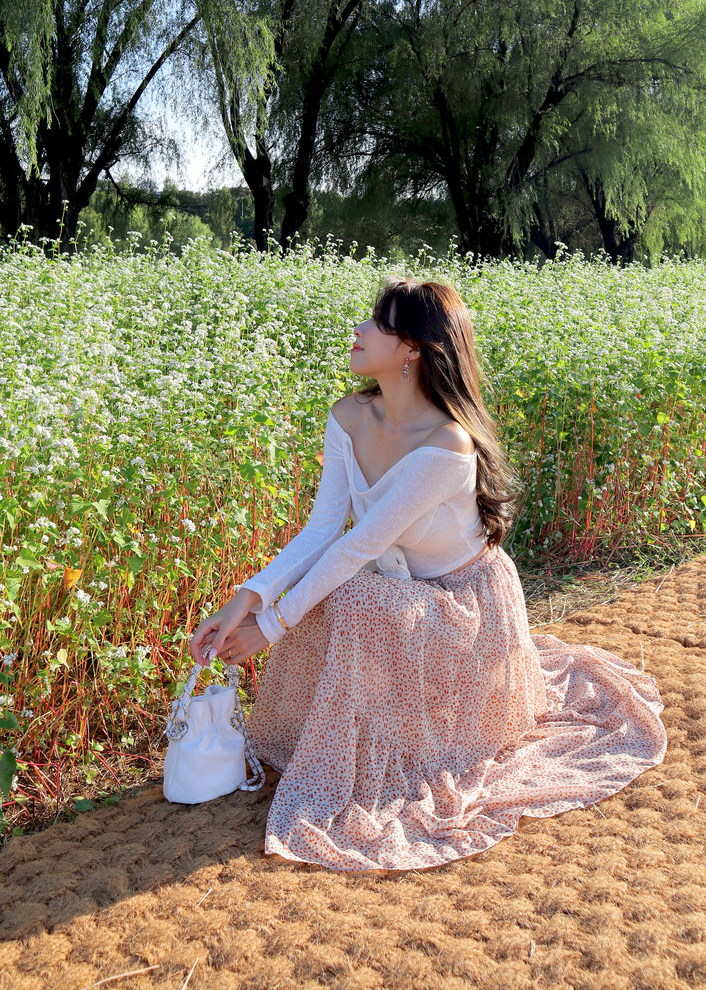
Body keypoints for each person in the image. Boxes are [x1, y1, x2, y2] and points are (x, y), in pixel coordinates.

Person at [189, 277, 666, 872]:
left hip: (466, 608)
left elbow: (360, 544)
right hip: (403, 592)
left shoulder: (447, 443)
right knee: (336, 596)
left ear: (413, 348)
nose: (359, 332)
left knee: (348, 596)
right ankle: (343, 738)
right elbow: (320, 531)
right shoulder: (349, 416)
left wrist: (273, 625)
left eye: (378, 324)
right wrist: (245, 602)